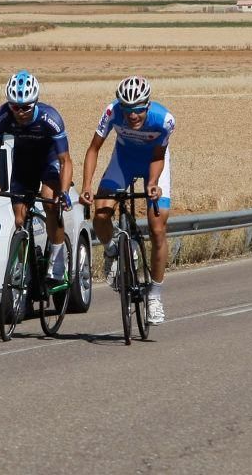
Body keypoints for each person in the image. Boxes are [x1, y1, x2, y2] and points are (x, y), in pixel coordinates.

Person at [79, 76, 174, 325]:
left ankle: (154, 296)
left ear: (148, 105)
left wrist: (152, 184)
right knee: (101, 214)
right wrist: (87, 185)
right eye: (128, 109)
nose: (133, 115)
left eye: (139, 109)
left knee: (157, 229)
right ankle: (114, 250)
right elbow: (93, 148)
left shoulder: (163, 119)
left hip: (154, 162)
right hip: (123, 160)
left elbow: (158, 155)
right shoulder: (112, 111)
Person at [0, 70, 74, 283]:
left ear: (35, 103)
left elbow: (65, 161)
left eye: (26, 107)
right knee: (19, 219)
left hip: (50, 157)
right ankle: (23, 264)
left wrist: (63, 192)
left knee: (51, 203)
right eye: (15, 107)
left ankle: (57, 258)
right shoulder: (1, 117)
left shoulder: (50, 118)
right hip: (25, 160)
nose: (20, 112)